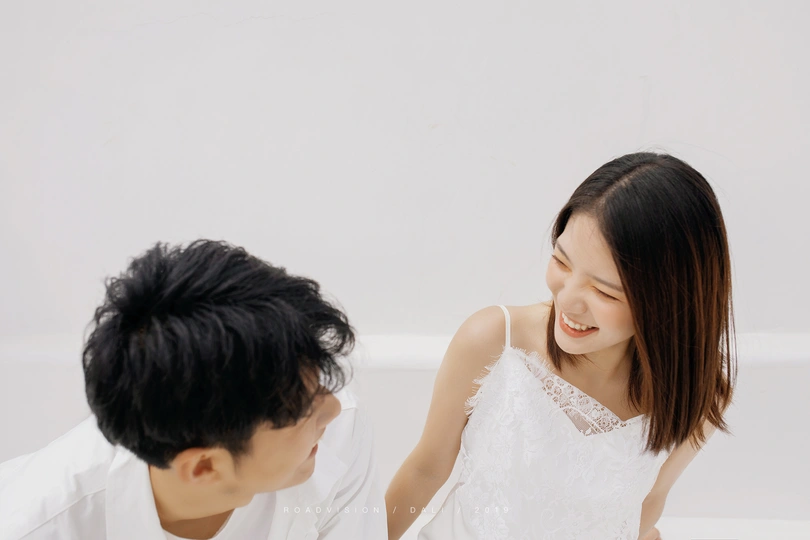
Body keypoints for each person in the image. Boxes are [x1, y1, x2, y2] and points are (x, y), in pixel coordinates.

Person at [385, 152, 736, 540]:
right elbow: (426, 470)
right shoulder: (494, 340)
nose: (567, 300)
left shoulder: (700, 394)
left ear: (669, 304)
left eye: (604, 292)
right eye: (562, 262)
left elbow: (648, 500)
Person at [0, 240, 386, 539]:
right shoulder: (37, 525)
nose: (333, 409)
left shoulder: (338, 436)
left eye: (317, 384)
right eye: (300, 412)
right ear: (204, 467)